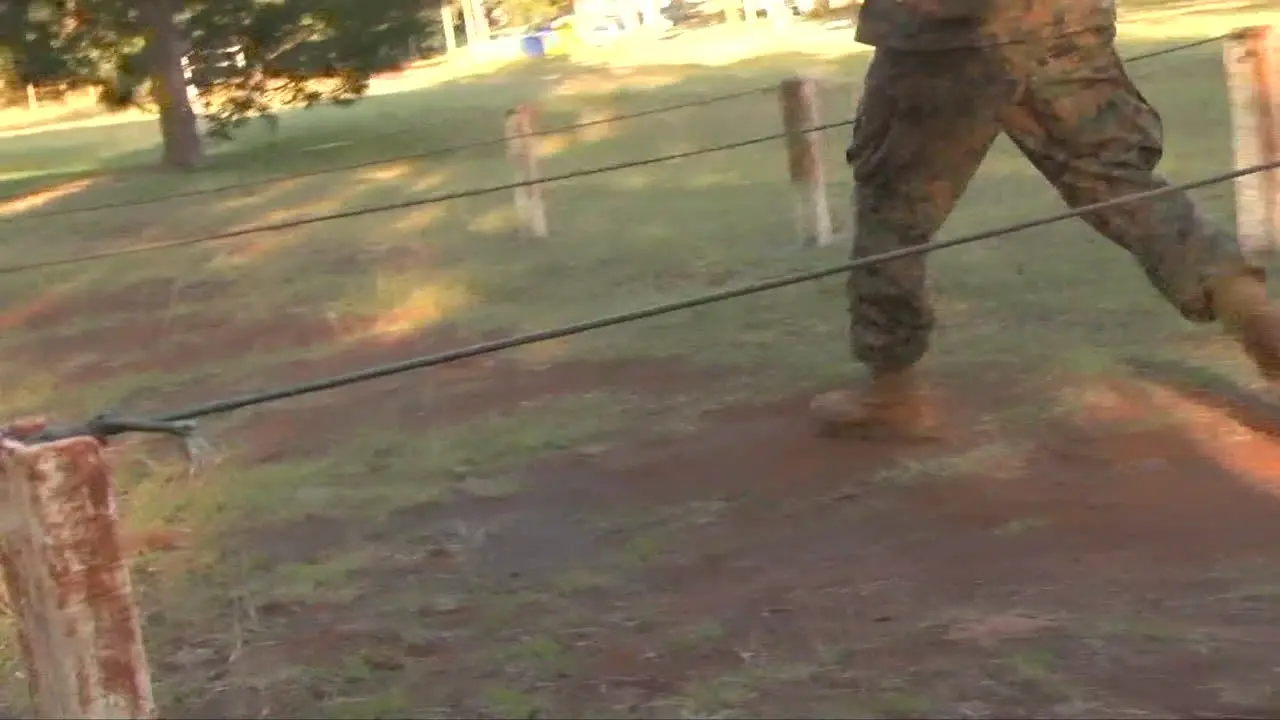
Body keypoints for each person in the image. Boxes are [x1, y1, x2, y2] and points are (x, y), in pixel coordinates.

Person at [810, 0, 1280, 437]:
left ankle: (892, 391)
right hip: (1064, 15)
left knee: (895, 201)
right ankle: (1252, 311)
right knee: (1120, 182)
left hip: (946, 26)